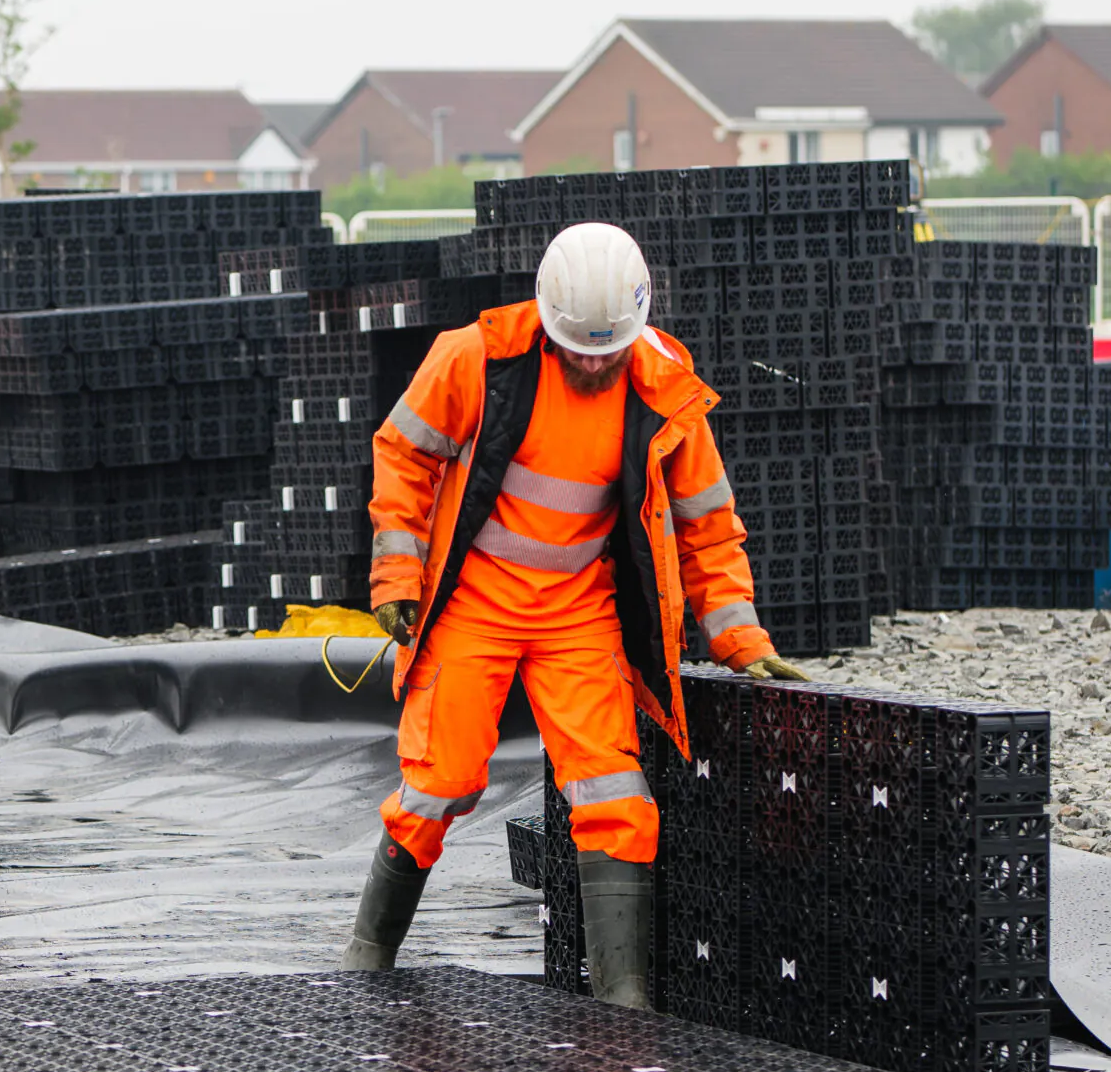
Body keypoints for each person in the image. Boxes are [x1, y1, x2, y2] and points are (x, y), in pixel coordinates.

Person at [343, 221, 808, 1007]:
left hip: (577, 613)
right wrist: (396, 575)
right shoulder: (477, 357)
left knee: (615, 795)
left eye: (609, 350)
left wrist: (741, 639)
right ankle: (366, 957)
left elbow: (708, 522)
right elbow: (404, 452)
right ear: (548, 319)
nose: (595, 363)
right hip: (474, 603)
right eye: (580, 349)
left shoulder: (664, 386)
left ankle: (624, 998)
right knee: (438, 786)